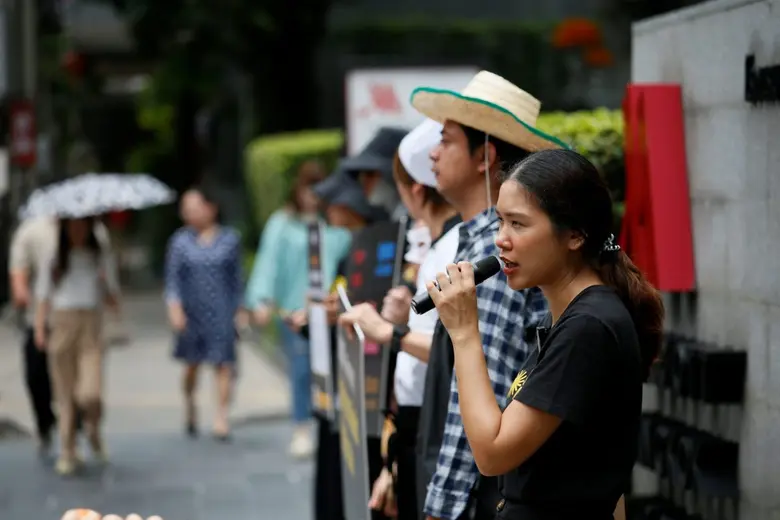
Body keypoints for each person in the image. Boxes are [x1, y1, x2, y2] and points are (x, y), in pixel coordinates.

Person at [425, 149, 664, 519]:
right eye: (500, 222)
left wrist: (465, 332)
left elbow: (491, 453)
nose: (501, 240)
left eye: (518, 224)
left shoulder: (589, 326)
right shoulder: (579, 318)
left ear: (575, 235)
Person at [410, 70, 569, 520]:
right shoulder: (481, 242)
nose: (434, 153)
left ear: (486, 156)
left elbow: (481, 392)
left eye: (446, 139)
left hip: (486, 496)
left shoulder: (493, 253)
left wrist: (442, 507)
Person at [338, 118, 461, 520]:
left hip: (438, 420)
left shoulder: (454, 248)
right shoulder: (441, 245)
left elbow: (459, 345)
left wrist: (388, 331)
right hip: (416, 421)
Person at [246, 160, 351, 458]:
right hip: (294, 311)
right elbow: (268, 262)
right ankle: (302, 427)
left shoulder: (333, 224)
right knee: (302, 368)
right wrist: (262, 299)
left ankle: (323, 423)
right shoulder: (283, 223)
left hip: (329, 311)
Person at [305, 171, 387, 520]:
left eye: (332, 205)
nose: (327, 211)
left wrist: (336, 314)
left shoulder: (378, 245)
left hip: (370, 376)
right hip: (345, 371)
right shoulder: (353, 248)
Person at [9, 216, 111, 457]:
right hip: (54, 320)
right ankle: (59, 438)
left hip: (89, 323)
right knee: (44, 380)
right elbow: (22, 272)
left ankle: (85, 428)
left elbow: (110, 285)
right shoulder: (35, 232)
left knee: (88, 391)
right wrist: (25, 301)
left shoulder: (98, 240)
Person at [34, 217, 120, 476]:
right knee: (65, 393)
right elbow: (42, 293)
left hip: (90, 324)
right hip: (62, 322)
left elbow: (112, 291)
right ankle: (68, 450)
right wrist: (39, 328)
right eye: (73, 225)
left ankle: (93, 428)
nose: (78, 230)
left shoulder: (99, 253)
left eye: (83, 224)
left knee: (89, 393)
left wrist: (109, 292)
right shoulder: (54, 255)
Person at [164, 188, 243, 441]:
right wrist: (174, 310)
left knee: (223, 364)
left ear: (211, 208)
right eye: (187, 210)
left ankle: (221, 415)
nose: (191, 214)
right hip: (191, 312)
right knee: (192, 365)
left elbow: (236, 279)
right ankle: (190, 403)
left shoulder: (229, 239)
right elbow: (173, 280)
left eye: (196, 207)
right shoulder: (179, 241)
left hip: (221, 310)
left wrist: (241, 310)